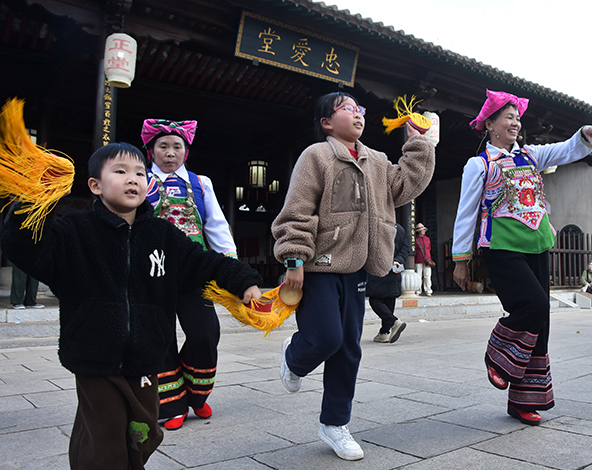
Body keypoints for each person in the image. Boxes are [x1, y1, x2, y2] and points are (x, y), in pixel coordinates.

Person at [0, 142, 262, 468]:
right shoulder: (74, 232)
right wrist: (35, 197)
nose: (132, 179)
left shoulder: (163, 235)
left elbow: (204, 262)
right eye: (120, 171)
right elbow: (23, 245)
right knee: (105, 439)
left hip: (146, 360)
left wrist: (244, 281)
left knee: (143, 435)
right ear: (95, 185)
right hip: (96, 360)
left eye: (139, 173)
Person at [271, 91, 435, 460]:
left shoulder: (376, 160)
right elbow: (298, 209)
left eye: (359, 108)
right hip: (319, 266)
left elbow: (405, 185)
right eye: (346, 108)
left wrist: (418, 143)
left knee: (348, 347)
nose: (357, 114)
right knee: (325, 337)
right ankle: (294, 356)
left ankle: (335, 424)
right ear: (326, 122)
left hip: (358, 267)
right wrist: (294, 259)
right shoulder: (316, 156)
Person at [451, 89, 592, 426]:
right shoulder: (479, 165)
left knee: (541, 323)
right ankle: (497, 357)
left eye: (517, 118)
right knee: (533, 306)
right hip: (502, 247)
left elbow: (566, 150)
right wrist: (461, 260)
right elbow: (466, 212)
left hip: (537, 244)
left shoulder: (531, 155)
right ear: (490, 124)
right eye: (508, 117)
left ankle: (523, 401)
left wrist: (585, 134)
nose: (515, 123)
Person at [140, 119, 239, 430]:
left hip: (195, 269)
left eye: (177, 146)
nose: (170, 153)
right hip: (152, 271)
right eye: (163, 146)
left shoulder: (200, 183)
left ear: (186, 152)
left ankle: (196, 393)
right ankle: (172, 404)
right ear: (151, 151)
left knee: (206, 333)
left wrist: (231, 267)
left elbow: (216, 225)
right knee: (160, 337)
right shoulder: (141, 180)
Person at [367, 222, 411, 343]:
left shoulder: (377, 226)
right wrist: (398, 260)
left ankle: (393, 322)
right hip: (395, 269)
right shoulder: (400, 228)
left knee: (375, 299)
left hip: (379, 268)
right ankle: (384, 332)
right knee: (389, 300)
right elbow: (406, 248)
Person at [414, 222, 434, 296]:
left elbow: (429, 248)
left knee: (427, 276)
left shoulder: (427, 239)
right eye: (422, 230)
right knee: (418, 276)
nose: (424, 231)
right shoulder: (415, 239)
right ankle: (418, 290)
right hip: (418, 260)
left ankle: (428, 290)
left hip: (427, 260)